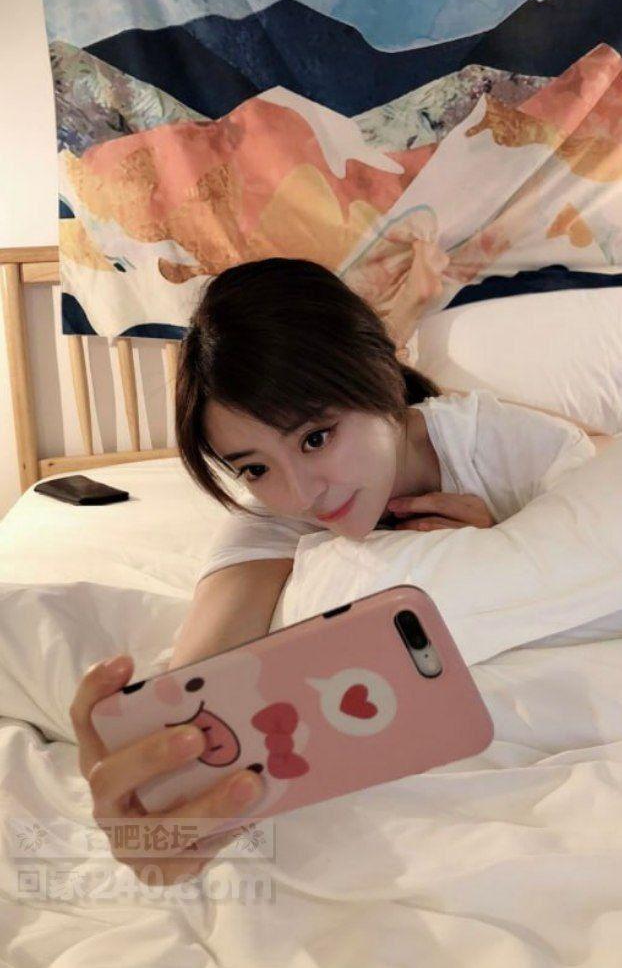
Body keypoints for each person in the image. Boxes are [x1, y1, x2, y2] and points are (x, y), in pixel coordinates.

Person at [72, 257, 611, 888]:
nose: (301, 493)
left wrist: (493, 538)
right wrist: (158, 785)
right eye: (254, 468)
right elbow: (202, 667)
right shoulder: (270, 520)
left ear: (381, 374)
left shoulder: (499, 442)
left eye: (315, 438)